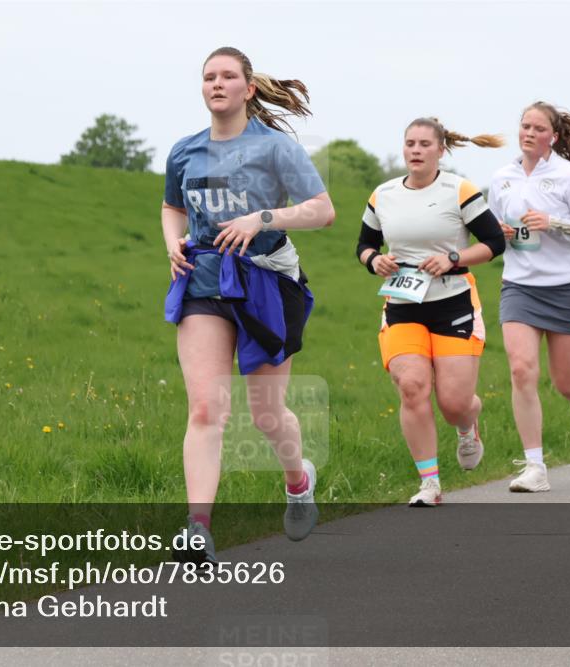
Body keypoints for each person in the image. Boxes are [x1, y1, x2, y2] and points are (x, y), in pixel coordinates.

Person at [162, 47, 335, 563]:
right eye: (208, 77)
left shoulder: (275, 148)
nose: (216, 84)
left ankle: (298, 481)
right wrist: (171, 243)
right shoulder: (184, 151)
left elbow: (322, 211)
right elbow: (172, 206)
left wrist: (262, 219)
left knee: (266, 415)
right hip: (203, 283)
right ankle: (198, 529)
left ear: (248, 88)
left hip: (264, 283)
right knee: (205, 409)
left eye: (227, 76)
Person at [357, 117, 505, 507]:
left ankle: (468, 423)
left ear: (441, 150)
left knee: (454, 404)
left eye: (425, 144)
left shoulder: (459, 190)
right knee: (412, 387)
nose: (416, 150)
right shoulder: (383, 194)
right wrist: (375, 261)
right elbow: (364, 245)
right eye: (410, 143)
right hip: (402, 305)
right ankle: (430, 484)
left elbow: (494, 242)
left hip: (453, 302)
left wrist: (454, 258)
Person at [489, 101, 570, 493]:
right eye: (525, 126)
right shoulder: (502, 178)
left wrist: (554, 223)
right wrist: (501, 233)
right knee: (521, 370)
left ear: (554, 137)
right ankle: (535, 467)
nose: (529, 133)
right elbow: (491, 230)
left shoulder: (568, 176)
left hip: (567, 288)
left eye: (539, 128)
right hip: (519, 287)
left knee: (566, 382)